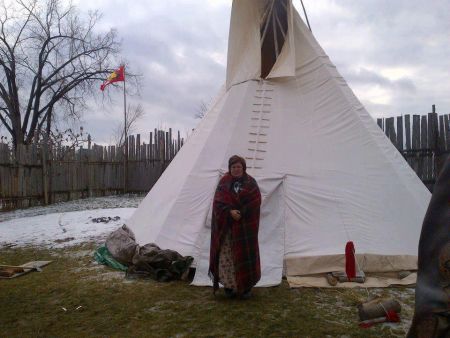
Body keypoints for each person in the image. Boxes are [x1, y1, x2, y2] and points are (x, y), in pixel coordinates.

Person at [209, 155, 262, 299]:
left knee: (245, 256)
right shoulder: (224, 182)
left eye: (239, 167)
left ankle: (245, 288)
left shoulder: (251, 183)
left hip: (245, 229)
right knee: (228, 258)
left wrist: (242, 213)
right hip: (227, 230)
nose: (236, 169)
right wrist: (229, 212)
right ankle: (229, 287)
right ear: (230, 168)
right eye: (233, 167)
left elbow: (255, 201)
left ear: (243, 168)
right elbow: (218, 203)